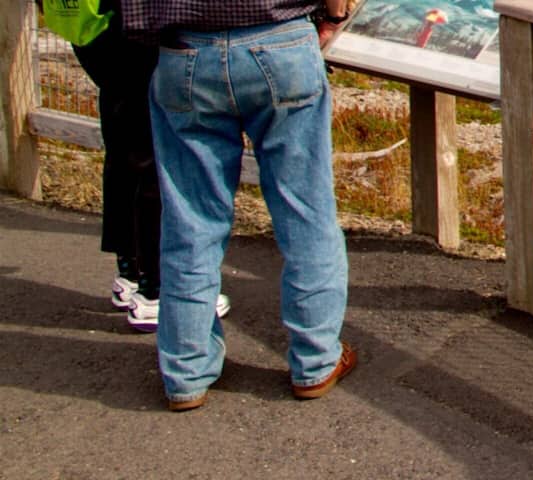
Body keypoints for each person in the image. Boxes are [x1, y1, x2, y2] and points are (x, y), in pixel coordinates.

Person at [124, 0, 357, 412]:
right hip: (281, 38)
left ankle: (187, 371)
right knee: (307, 212)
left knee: (191, 221)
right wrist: (334, 17)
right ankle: (316, 361)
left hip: (184, 48)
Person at [38, 0, 230, 332]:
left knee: (123, 138)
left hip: (92, 26)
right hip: (133, 27)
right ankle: (158, 288)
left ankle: (129, 267)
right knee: (156, 152)